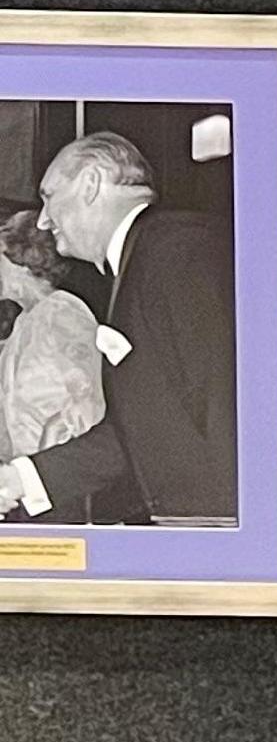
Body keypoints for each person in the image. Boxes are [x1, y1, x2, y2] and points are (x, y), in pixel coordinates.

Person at [0, 130, 236, 524]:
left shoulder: (177, 250)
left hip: (217, 525)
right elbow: (146, 426)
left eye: (49, 197)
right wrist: (20, 480)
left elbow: (228, 399)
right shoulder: (149, 256)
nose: (43, 219)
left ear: (91, 183)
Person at [0, 205, 111, 488]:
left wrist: (48, 461)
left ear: (20, 258)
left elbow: (89, 404)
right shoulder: (24, 321)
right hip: (26, 484)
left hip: (61, 484)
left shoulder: (62, 312)